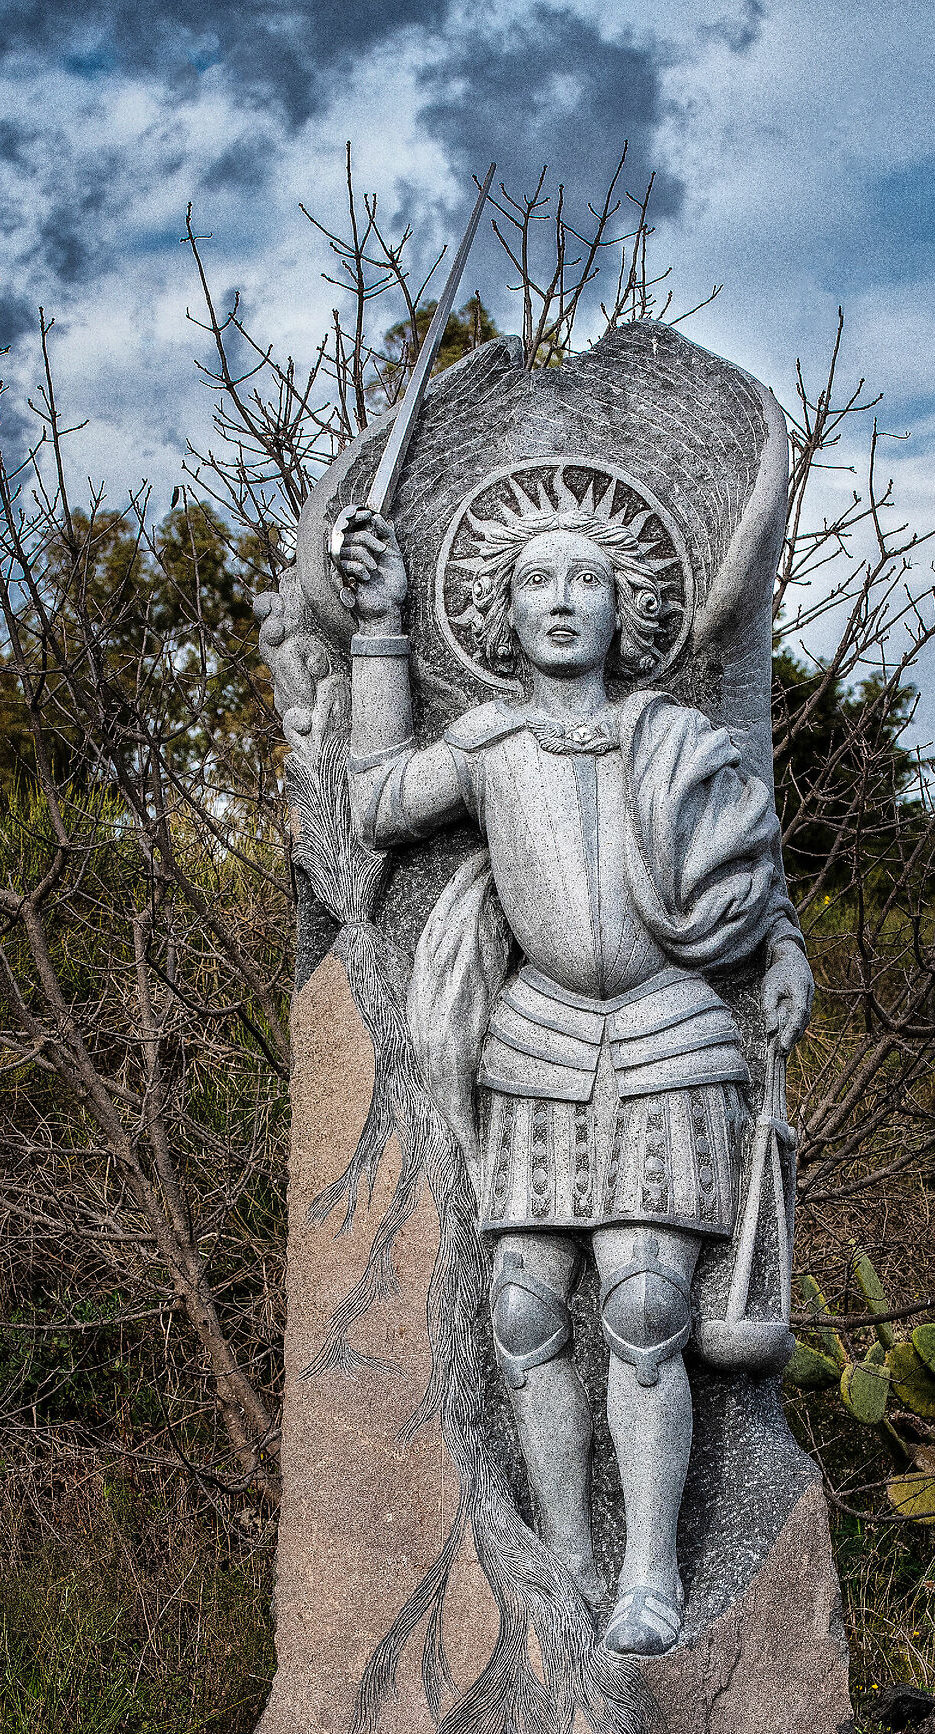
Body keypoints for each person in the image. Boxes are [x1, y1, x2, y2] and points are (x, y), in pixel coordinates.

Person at [334, 478, 812, 1657]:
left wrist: (787, 947)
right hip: (537, 1043)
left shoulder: (677, 737)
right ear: (504, 609)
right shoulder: (489, 740)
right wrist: (384, 623)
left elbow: (743, 863)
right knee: (522, 1312)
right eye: (537, 580)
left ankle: (651, 1573)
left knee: (648, 1311)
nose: (561, 601)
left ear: (622, 607)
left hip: (668, 1035)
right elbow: (376, 803)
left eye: (586, 580)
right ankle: (568, 1561)